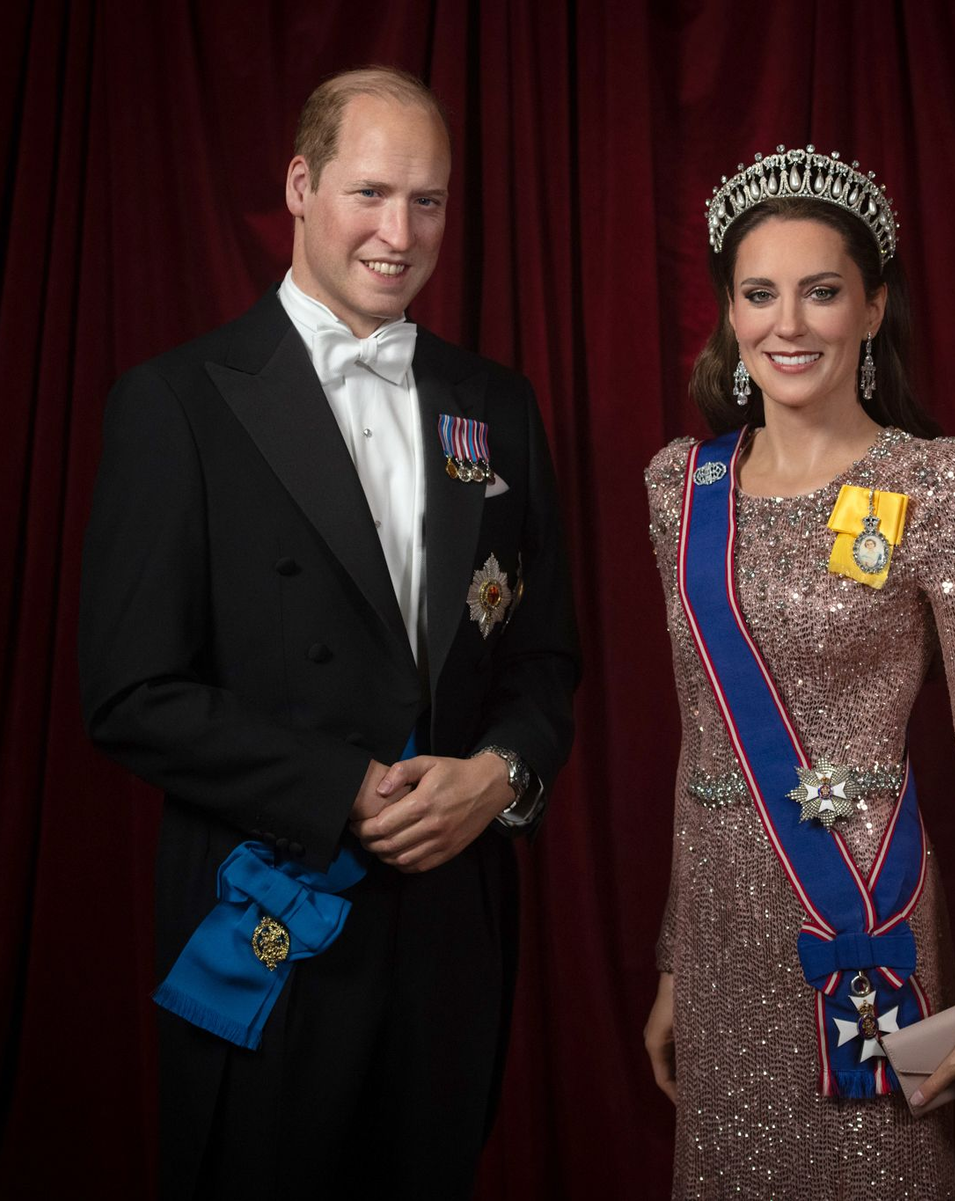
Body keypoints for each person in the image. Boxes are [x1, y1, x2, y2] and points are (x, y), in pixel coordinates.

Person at [79, 67, 578, 1199]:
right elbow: (129, 691)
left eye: (429, 202)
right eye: (370, 192)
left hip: (454, 925)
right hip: (270, 910)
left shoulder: (492, 401)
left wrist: (498, 776)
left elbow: (545, 658)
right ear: (300, 187)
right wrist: (348, 786)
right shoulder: (178, 402)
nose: (398, 234)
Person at [642, 145, 955, 1198]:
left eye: (821, 291)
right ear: (730, 314)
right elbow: (703, 736)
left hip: (863, 917)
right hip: (725, 930)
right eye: (760, 293)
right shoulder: (683, 487)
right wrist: (678, 960)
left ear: (870, 309)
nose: (789, 323)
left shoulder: (935, 483)